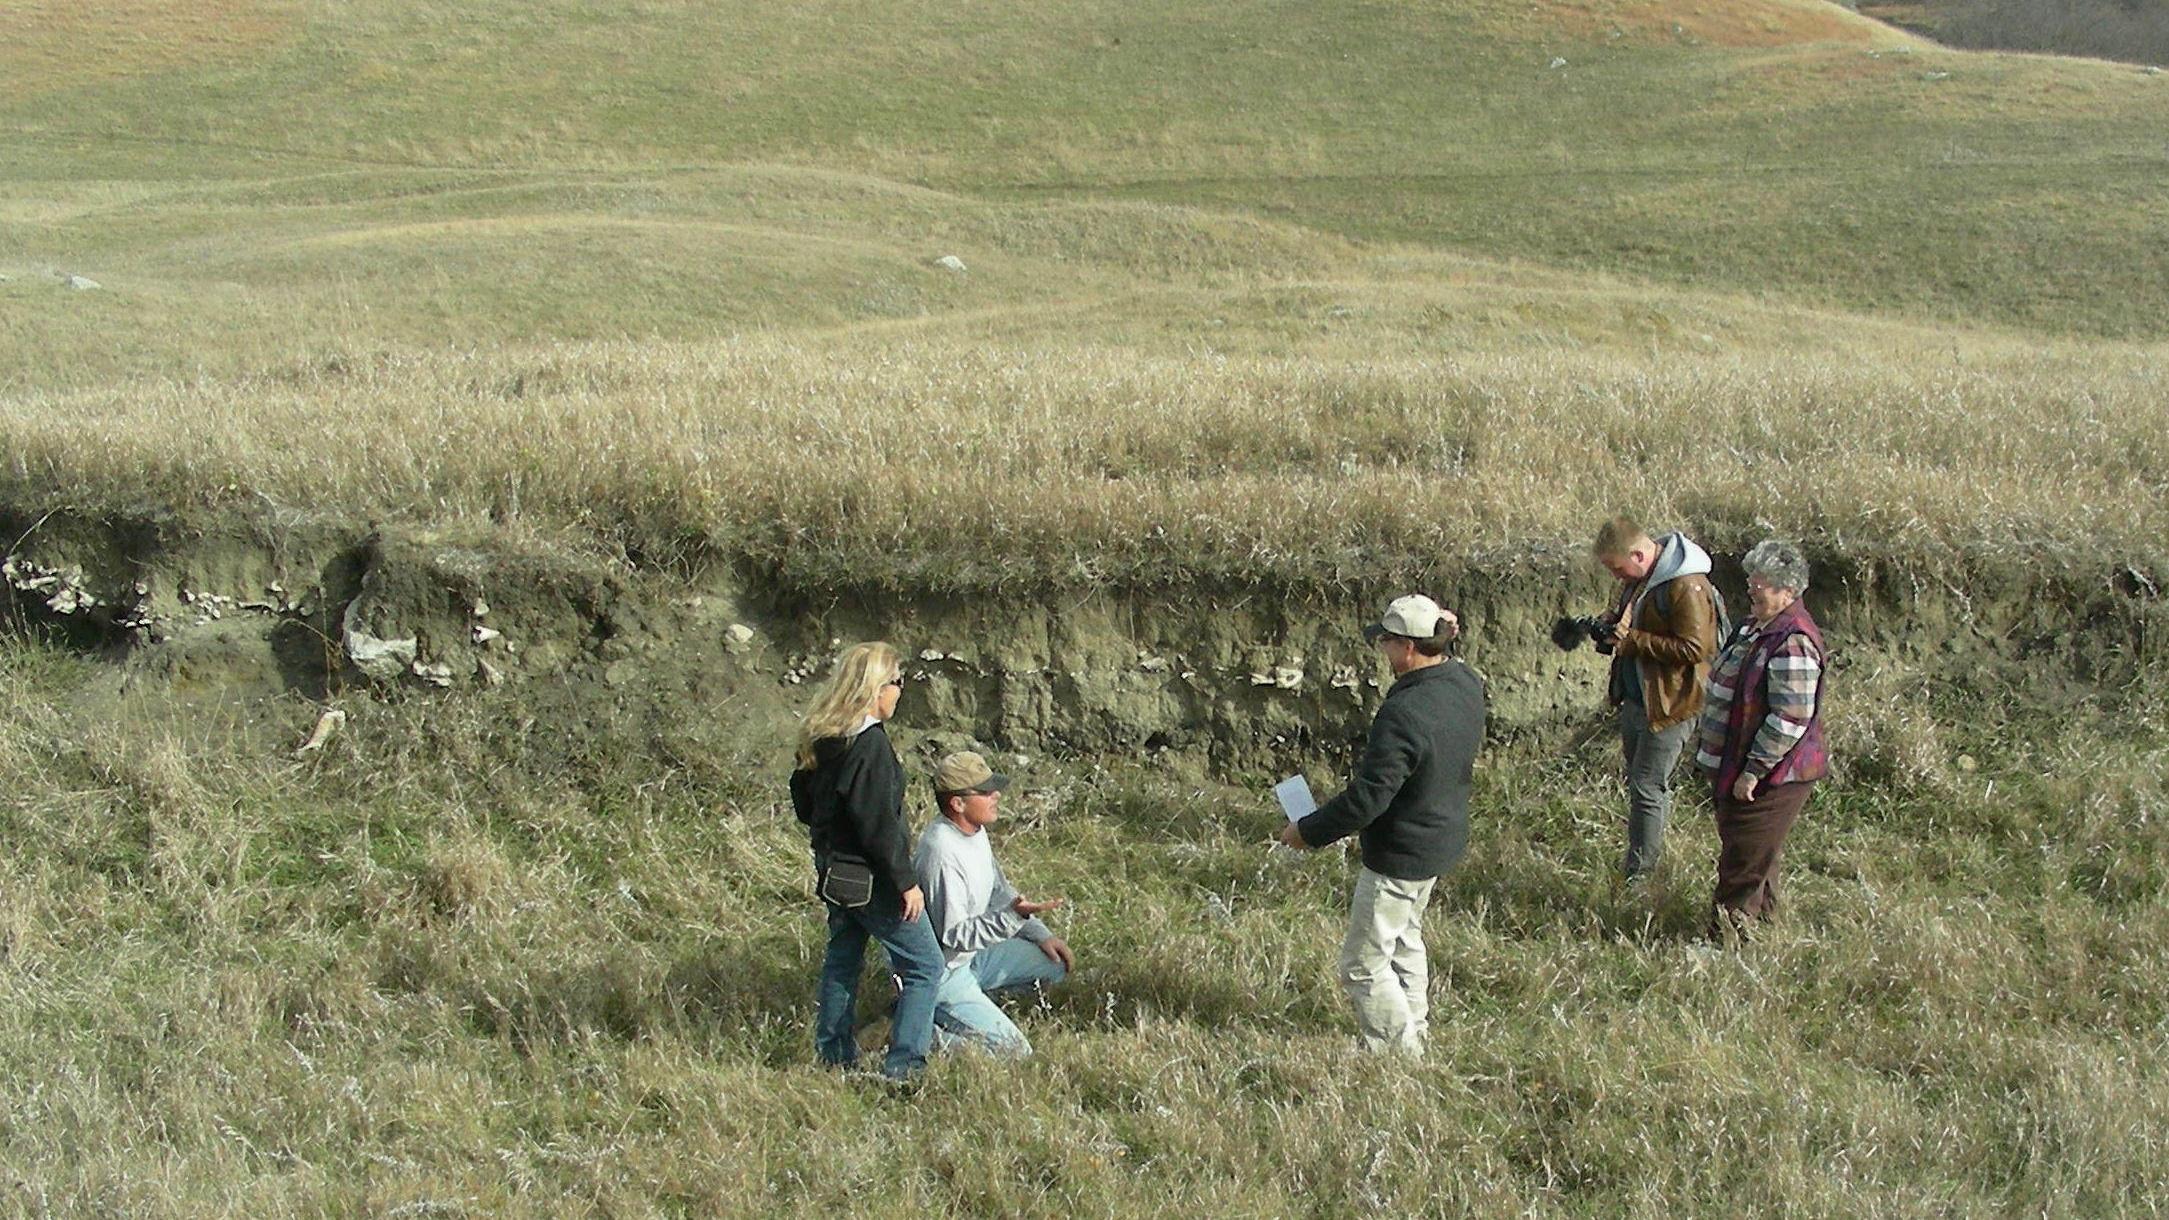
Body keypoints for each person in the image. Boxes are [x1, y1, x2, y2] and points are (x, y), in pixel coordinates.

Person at [1275, 594, 1485, 1057]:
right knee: (1405, 939)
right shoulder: (1464, 681)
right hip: (1438, 840)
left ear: (1408, 647)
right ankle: (1414, 1033)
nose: (1382, 649)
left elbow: (1367, 799)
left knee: (1363, 963)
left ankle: (1396, 1053)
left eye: (1387, 641)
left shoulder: (1404, 712)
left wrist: (1306, 832)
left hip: (1400, 854)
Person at [788, 642, 943, 1080]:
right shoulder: (870, 744)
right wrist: (905, 882)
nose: (900, 691)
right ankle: (905, 1068)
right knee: (925, 966)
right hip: (872, 879)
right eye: (897, 682)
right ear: (876, 687)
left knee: (843, 960)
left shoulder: (826, 739)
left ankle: (834, 1057)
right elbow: (879, 826)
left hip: (835, 872)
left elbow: (804, 805)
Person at [1694, 540, 1828, 938]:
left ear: (1789, 591)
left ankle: (1727, 940)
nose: (1752, 587)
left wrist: (1753, 770)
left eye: (1763, 582)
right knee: (1755, 855)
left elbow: (1790, 717)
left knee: (1743, 858)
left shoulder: (1793, 640)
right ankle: (1764, 931)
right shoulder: (1755, 627)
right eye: (1752, 578)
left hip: (1772, 776)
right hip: (1740, 766)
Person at [1589, 516, 1724, 881]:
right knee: (1641, 785)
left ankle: (1641, 876)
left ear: (1638, 554)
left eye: (1617, 568)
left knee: (1647, 787)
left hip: (1672, 704)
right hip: (1641, 700)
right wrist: (1607, 626)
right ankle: (1639, 866)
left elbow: (1696, 648)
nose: (1616, 576)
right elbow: (1633, 625)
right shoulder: (1642, 579)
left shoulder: (1686, 584)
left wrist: (1631, 640)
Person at [914, 751, 1074, 1056]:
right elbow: (953, 935)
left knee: (1055, 967)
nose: (996, 795)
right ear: (958, 804)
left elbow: (998, 891)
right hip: (945, 973)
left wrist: (1040, 935)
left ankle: (967, 1011)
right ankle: (915, 1030)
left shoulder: (975, 831)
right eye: (985, 792)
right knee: (1015, 1052)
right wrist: (1011, 918)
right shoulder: (940, 853)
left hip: (975, 958)